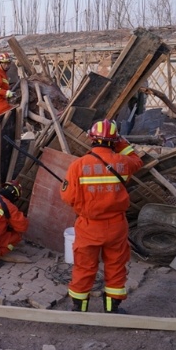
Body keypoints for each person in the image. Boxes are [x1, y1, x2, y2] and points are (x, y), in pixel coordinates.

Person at [60, 119, 144, 314]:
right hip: (116, 226)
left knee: (84, 267)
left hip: (88, 225)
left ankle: (79, 309)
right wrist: (122, 143)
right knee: (115, 265)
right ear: (114, 140)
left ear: (91, 138)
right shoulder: (123, 164)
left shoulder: (78, 165)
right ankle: (112, 308)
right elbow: (138, 161)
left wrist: (83, 207)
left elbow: (67, 197)